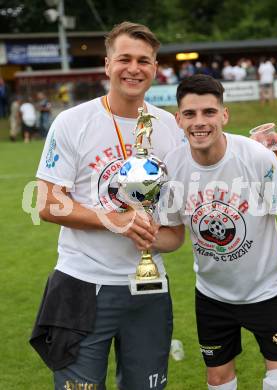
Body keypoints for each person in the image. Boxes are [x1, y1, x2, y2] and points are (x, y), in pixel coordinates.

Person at [31, 21, 185, 390]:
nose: (134, 68)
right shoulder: (72, 122)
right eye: (125, 59)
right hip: (82, 285)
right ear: (107, 64)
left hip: (149, 289)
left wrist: (151, 234)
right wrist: (116, 220)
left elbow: (176, 234)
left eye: (144, 61)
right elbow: (48, 204)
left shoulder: (169, 128)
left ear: (155, 68)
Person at [150, 75, 277, 390]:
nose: (199, 122)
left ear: (224, 115)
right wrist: (135, 231)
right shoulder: (172, 167)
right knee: (218, 380)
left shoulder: (255, 157)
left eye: (209, 112)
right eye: (190, 114)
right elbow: (173, 235)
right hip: (212, 296)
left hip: (268, 291)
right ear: (178, 120)